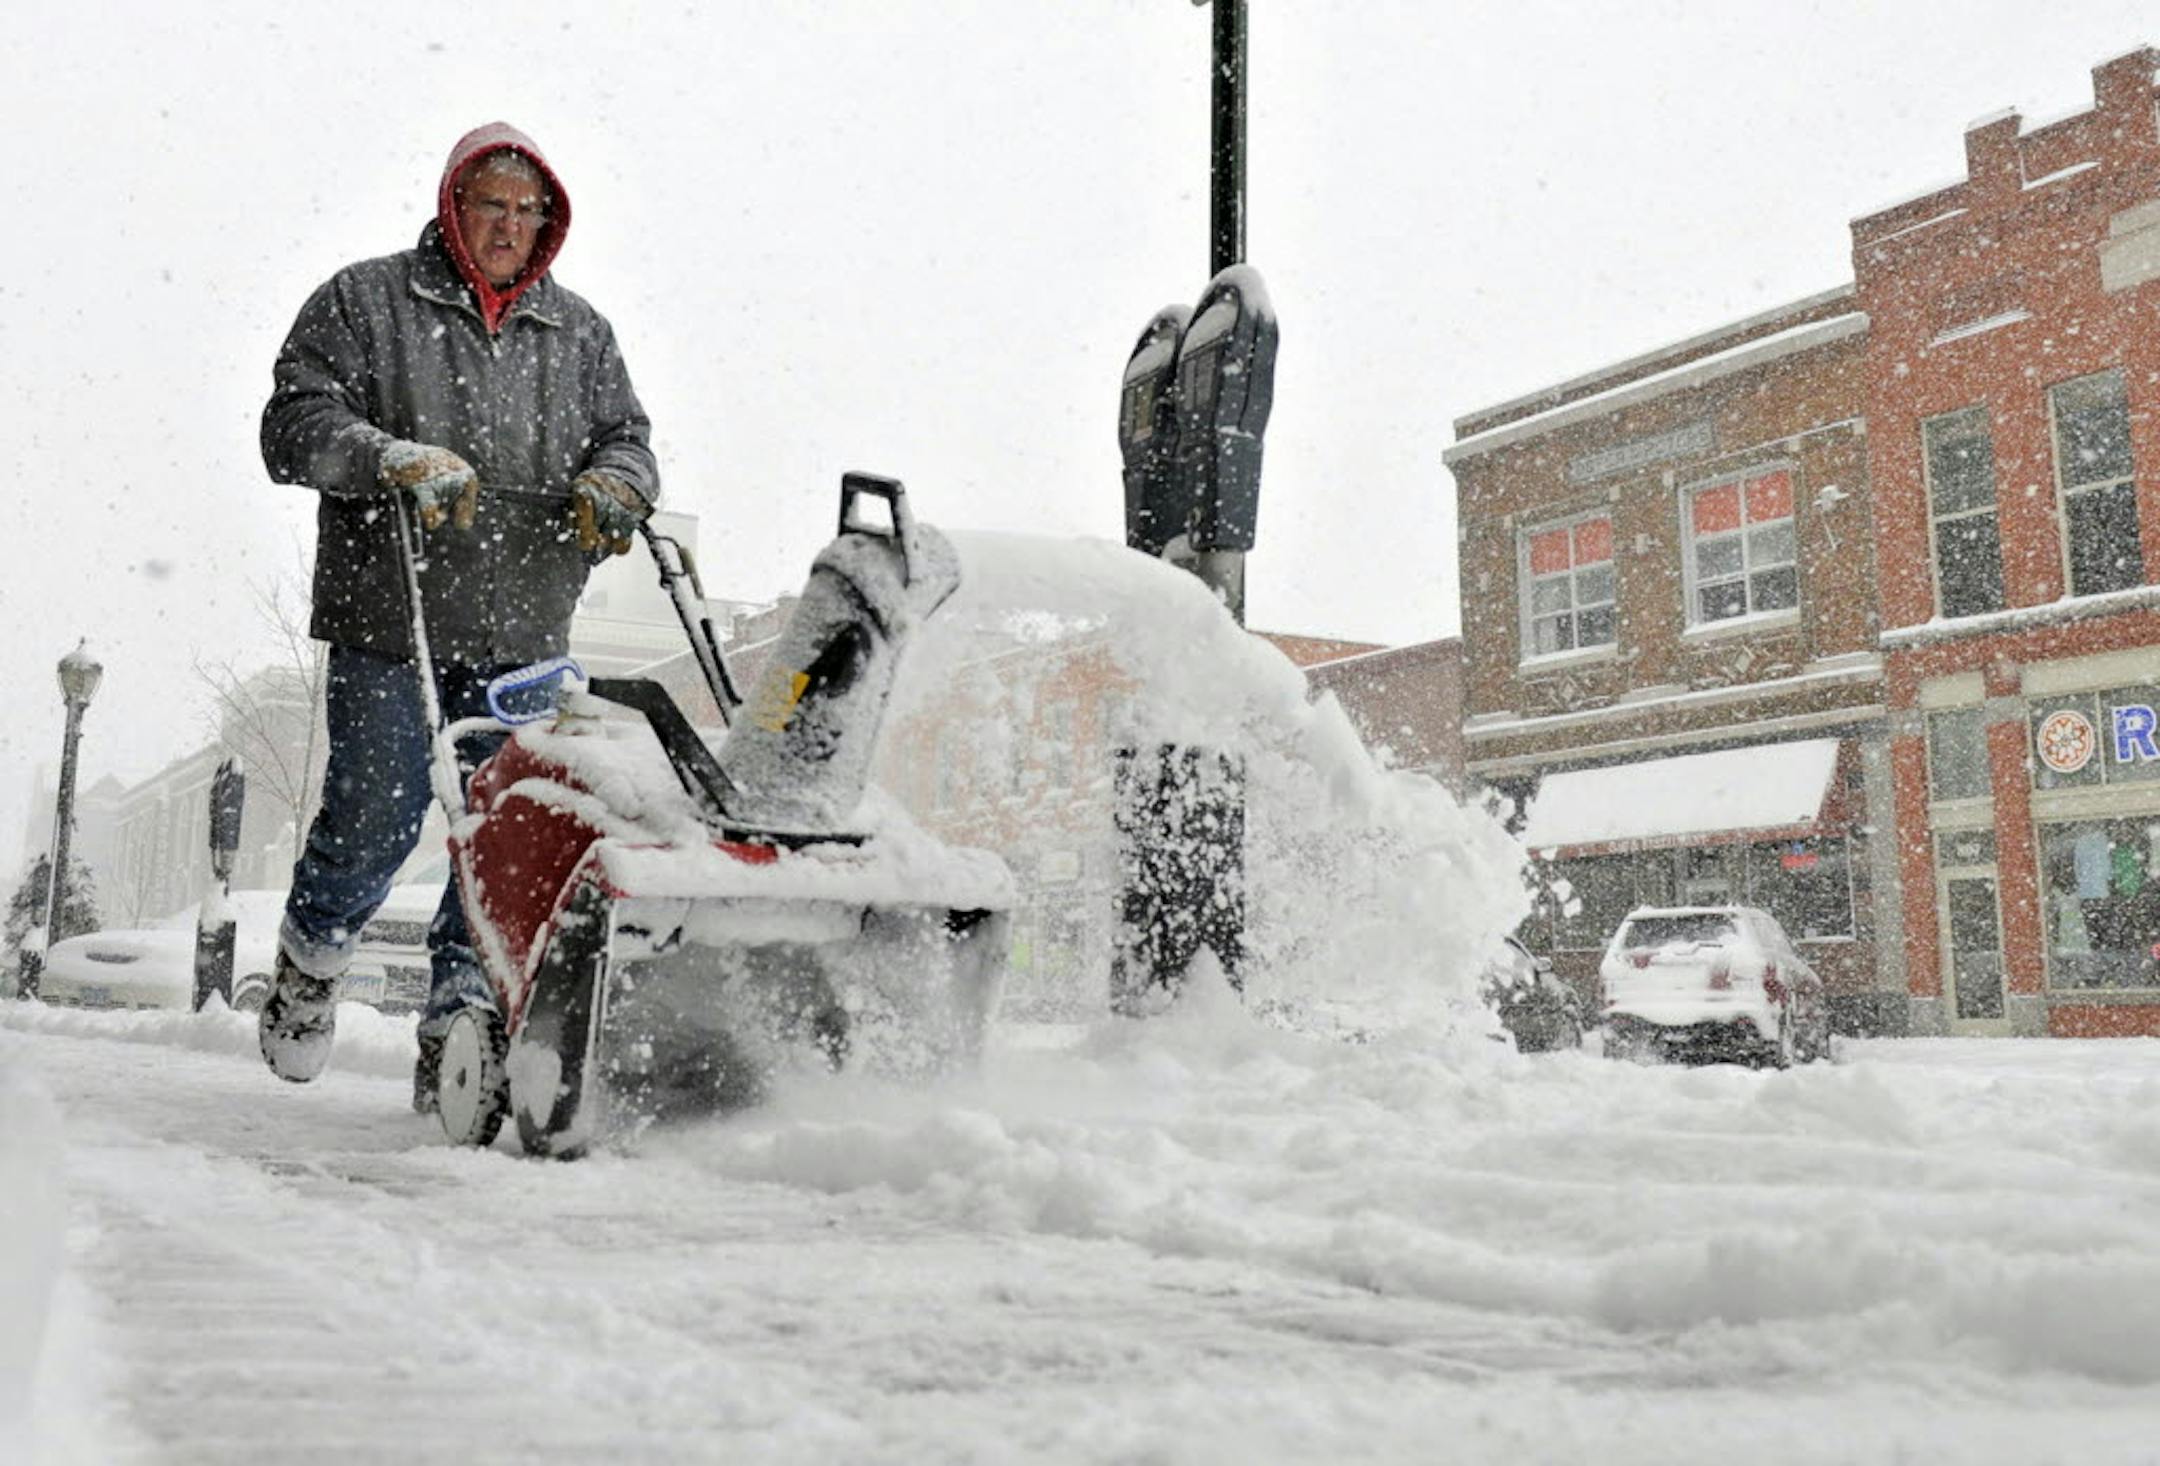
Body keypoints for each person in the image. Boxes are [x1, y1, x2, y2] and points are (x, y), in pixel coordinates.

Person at [258, 122, 659, 1109]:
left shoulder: (583, 336)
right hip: (392, 615)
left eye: (529, 212)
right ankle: (312, 958)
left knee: (507, 831)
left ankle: (461, 1025)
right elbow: (292, 424)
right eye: (494, 206)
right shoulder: (366, 301)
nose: (510, 226)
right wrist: (386, 456)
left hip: (527, 626)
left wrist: (618, 480)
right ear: (455, 207)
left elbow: (631, 439)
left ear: (548, 223)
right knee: (382, 810)